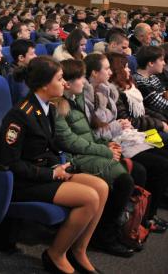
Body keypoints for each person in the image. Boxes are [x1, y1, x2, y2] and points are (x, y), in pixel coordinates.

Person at [0, 56, 110, 273]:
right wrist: (51, 174)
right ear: (45, 85)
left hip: (48, 171)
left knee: (101, 188)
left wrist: (60, 167)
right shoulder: (20, 115)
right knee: (89, 198)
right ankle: (55, 254)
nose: (65, 84)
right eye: (60, 79)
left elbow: (50, 147)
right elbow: (9, 163)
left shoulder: (48, 106)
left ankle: (79, 251)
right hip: (26, 181)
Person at [53, 59, 137, 256]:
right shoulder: (60, 105)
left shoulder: (79, 98)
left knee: (134, 170)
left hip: (88, 151)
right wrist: (104, 151)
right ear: (67, 82)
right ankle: (104, 235)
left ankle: (120, 227)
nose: (84, 82)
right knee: (124, 180)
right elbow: (70, 142)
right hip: (74, 158)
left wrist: (105, 145)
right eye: (80, 78)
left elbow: (89, 132)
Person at [83, 52, 168, 232]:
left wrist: (160, 122)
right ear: (94, 73)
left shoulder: (108, 90)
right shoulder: (92, 95)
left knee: (161, 157)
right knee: (150, 167)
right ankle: (134, 220)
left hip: (120, 136)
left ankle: (146, 215)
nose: (129, 69)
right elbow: (96, 128)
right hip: (113, 142)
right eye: (125, 67)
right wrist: (118, 125)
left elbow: (137, 114)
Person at [107, 52, 168, 137]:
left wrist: (160, 119)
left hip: (143, 122)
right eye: (125, 67)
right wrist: (159, 124)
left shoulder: (130, 85)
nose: (129, 70)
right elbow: (127, 119)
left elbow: (142, 109)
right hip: (132, 130)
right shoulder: (113, 91)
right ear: (116, 70)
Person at [132, 45, 168, 119]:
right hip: (156, 118)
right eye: (161, 60)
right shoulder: (140, 81)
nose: (164, 63)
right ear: (151, 63)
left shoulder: (153, 77)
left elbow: (164, 94)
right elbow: (160, 104)